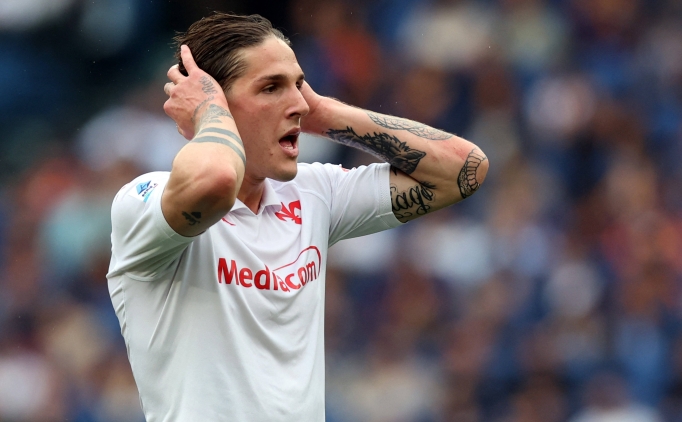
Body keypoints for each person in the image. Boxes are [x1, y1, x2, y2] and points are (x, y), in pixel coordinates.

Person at [107, 12, 488, 422]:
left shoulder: (312, 193)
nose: (299, 103)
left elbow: (464, 169)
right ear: (213, 104)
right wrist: (210, 113)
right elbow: (216, 180)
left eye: (299, 85)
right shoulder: (144, 203)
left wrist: (323, 113)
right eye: (271, 87)